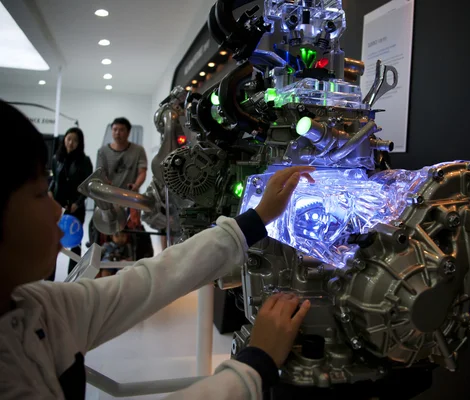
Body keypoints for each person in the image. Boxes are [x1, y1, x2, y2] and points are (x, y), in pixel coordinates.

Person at [0, 100, 315, 399]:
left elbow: (149, 281)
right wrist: (256, 364)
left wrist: (257, 219)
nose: (57, 210)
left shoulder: (39, 307)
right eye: (41, 193)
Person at [47, 127, 93, 277]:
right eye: (69, 139)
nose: (71, 143)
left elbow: (87, 186)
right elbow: (54, 180)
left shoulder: (84, 161)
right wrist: (49, 191)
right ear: (64, 139)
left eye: (75, 140)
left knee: (75, 245)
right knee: (53, 242)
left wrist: (77, 203)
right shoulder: (56, 158)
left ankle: (73, 276)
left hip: (75, 207)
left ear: (79, 143)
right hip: (57, 207)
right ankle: (49, 278)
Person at [96, 117, 148, 192]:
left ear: (128, 132)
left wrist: (136, 185)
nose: (117, 133)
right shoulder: (102, 151)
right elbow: (100, 172)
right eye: (115, 129)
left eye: (121, 130)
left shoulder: (138, 150)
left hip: (129, 195)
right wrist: (106, 183)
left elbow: (142, 172)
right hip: (108, 194)